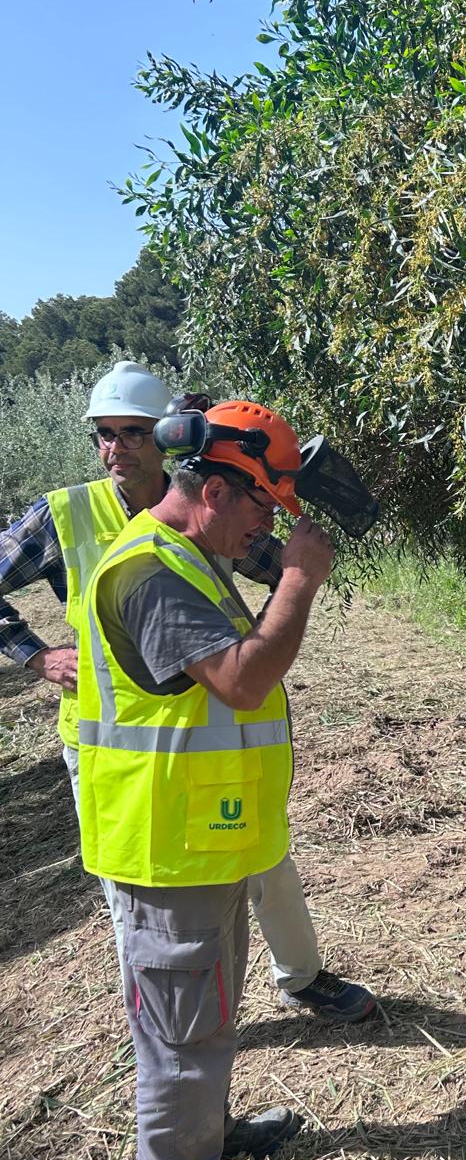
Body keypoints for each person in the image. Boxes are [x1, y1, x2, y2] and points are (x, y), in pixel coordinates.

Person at [0, 362, 375, 1022]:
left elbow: (268, 560)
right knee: (142, 905)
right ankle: (166, 1018)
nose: (116, 448)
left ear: (168, 437)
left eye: (133, 432)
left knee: (262, 859)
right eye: (104, 434)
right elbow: (249, 669)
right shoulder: (65, 515)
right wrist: (34, 656)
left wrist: (277, 528)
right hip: (119, 747)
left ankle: (298, 977)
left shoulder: (208, 507)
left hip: (208, 748)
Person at [75, 399, 336, 1160]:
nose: (269, 527)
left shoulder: (187, 555)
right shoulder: (148, 572)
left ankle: (210, 1136)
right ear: (217, 489)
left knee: (205, 1019)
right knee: (182, 1037)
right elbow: (242, 681)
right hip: (166, 849)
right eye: (265, 506)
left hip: (204, 840)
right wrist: (296, 579)